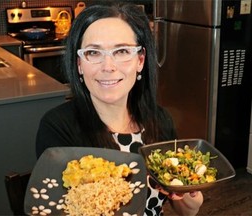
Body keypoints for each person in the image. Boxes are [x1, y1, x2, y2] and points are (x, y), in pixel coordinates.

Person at [35, 3, 203, 216]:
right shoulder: (58, 127)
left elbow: (185, 210)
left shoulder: (160, 121)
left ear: (140, 60)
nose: (108, 66)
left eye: (122, 51)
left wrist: (188, 196)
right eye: (94, 52)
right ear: (79, 64)